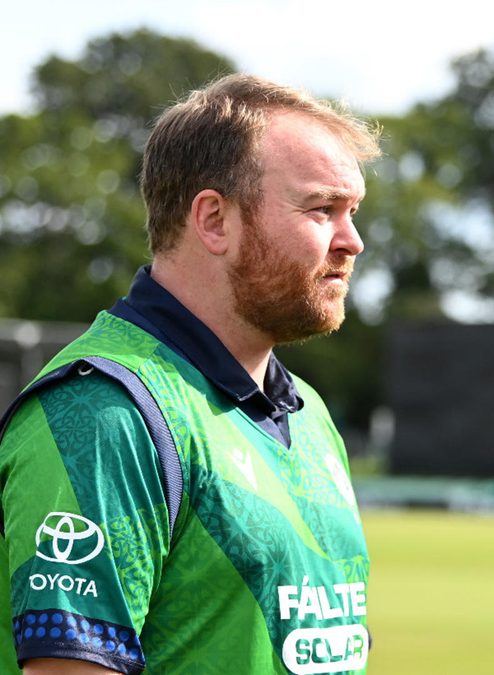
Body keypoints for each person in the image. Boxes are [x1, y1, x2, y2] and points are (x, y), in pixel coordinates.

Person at [0, 74, 380, 674]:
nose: (352, 241)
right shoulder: (106, 412)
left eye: (352, 212)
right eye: (321, 209)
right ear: (214, 220)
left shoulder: (307, 411)